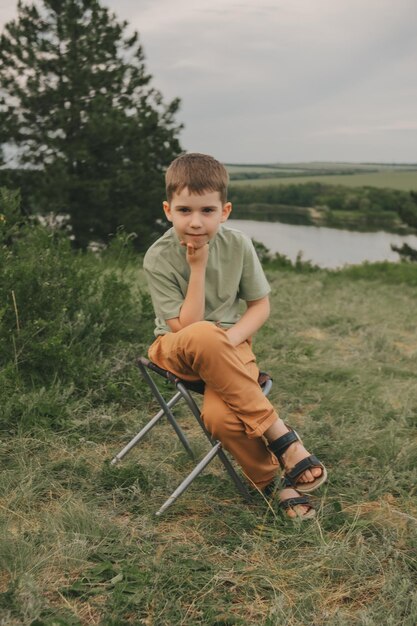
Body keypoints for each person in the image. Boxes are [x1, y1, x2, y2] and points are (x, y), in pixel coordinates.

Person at [143, 153, 327, 519]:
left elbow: (260, 306)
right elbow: (187, 328)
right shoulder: (158, 256)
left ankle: (273, 483)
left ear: (224, 211)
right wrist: (198, 268)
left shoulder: (238, 244)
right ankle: (281, 436)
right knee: (203, 334)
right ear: (168, 210)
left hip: (228, 349)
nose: (196, 222)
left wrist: (230, 341)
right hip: (175, 348)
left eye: (207, 211)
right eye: (184, 211)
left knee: (220, 418)